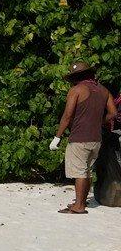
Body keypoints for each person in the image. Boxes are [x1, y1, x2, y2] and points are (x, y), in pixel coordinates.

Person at [50, 62, 117, 214]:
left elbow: (67, 116)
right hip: (96, 139)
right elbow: (113, 113)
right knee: (86, 172)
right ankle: (81, 202)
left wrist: (57, 137)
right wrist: (100, 121)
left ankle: (79, 206)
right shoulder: (103, 90)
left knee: (79, 172)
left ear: (75, 78)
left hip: (79, 138)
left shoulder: (76, 90)